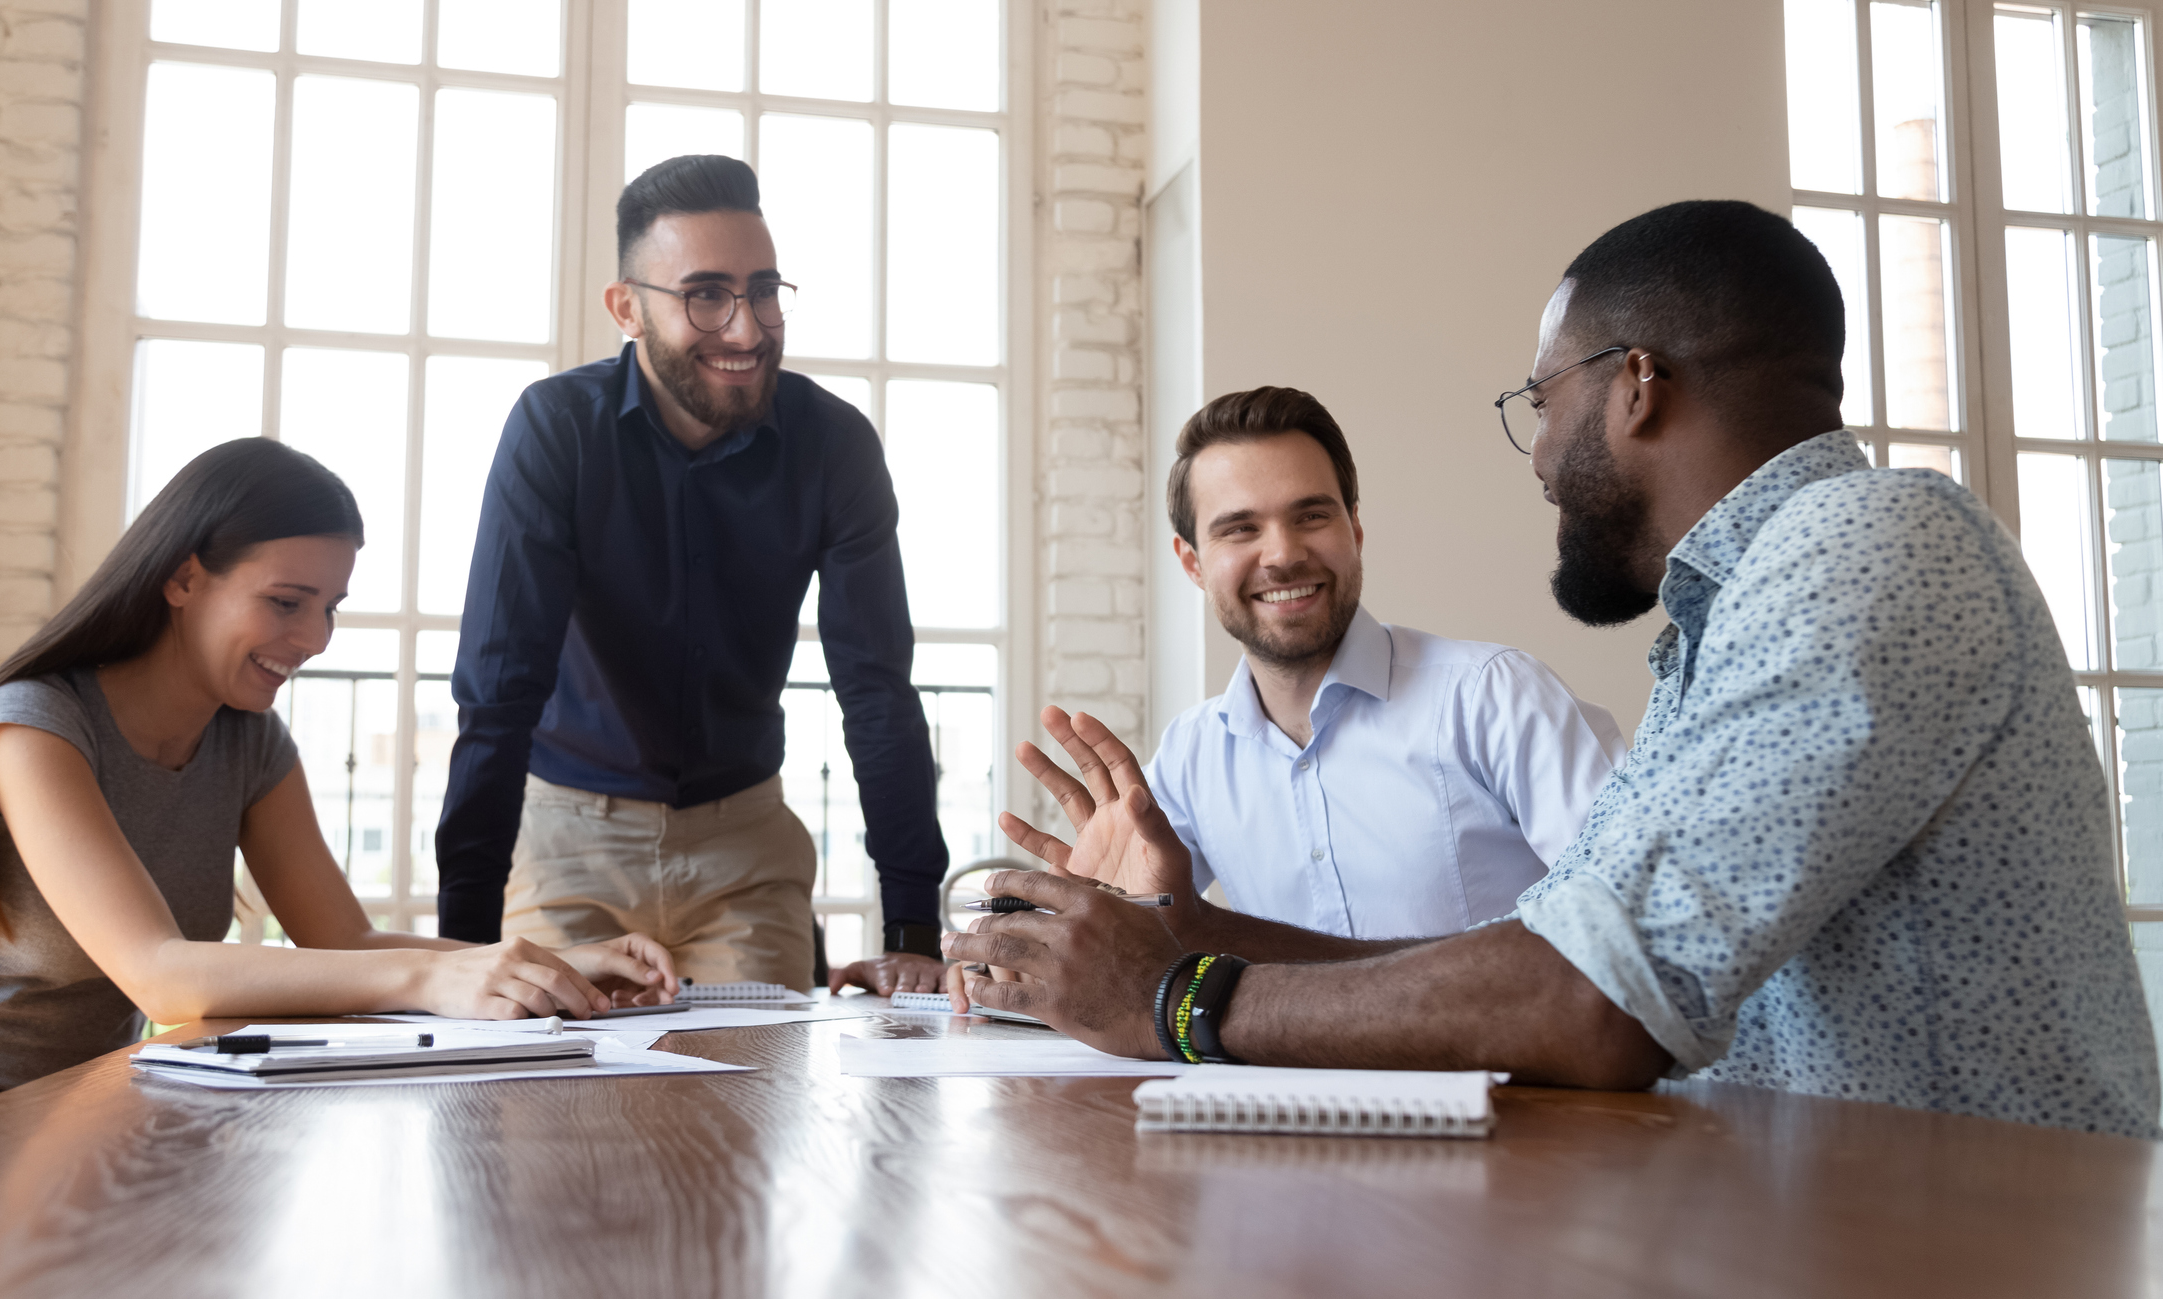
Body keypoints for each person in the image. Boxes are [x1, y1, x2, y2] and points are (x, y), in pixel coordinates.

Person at [948, 200, 2162, 1138]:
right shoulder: (1733, 614)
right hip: (1811, 1215)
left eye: (1541, 397)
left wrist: (1180, 996)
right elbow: (1555, 944)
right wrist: (1184, 936)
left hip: (1980, 1237)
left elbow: (1593, 1000)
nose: (1534, 456)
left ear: (1636, 384)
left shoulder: (1869, 544)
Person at [0, 439, 676, 1147]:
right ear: (183, 578)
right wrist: (430, 982)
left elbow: (345, 939)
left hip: (91, 1104)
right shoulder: (33, 725)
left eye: (329, 608)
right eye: (286, 602)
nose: (314, 638)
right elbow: (162, 978)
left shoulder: (248, 742)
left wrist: (551, 967)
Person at [435, 155, 952, 995]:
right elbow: (499, 691)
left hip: (743, 848)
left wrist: (912, 927)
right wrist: (459, 948)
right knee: (543, 1110)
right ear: (627, 308)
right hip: (568, 840)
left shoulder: (835, 445)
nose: (746, 330)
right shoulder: (556, 430)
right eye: (706, 295)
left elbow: (877, 688)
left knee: (748, 1106)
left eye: (763, 291)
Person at [1111, 385, 1623, 943]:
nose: (1282, 555)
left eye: (1310, 516)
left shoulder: (1492, 697)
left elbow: (1634, 916)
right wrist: (1099, 920)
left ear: (1354, 529)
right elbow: (1138, 935)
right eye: (1240, 529)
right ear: (1192, 562)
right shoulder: (1191, 755)